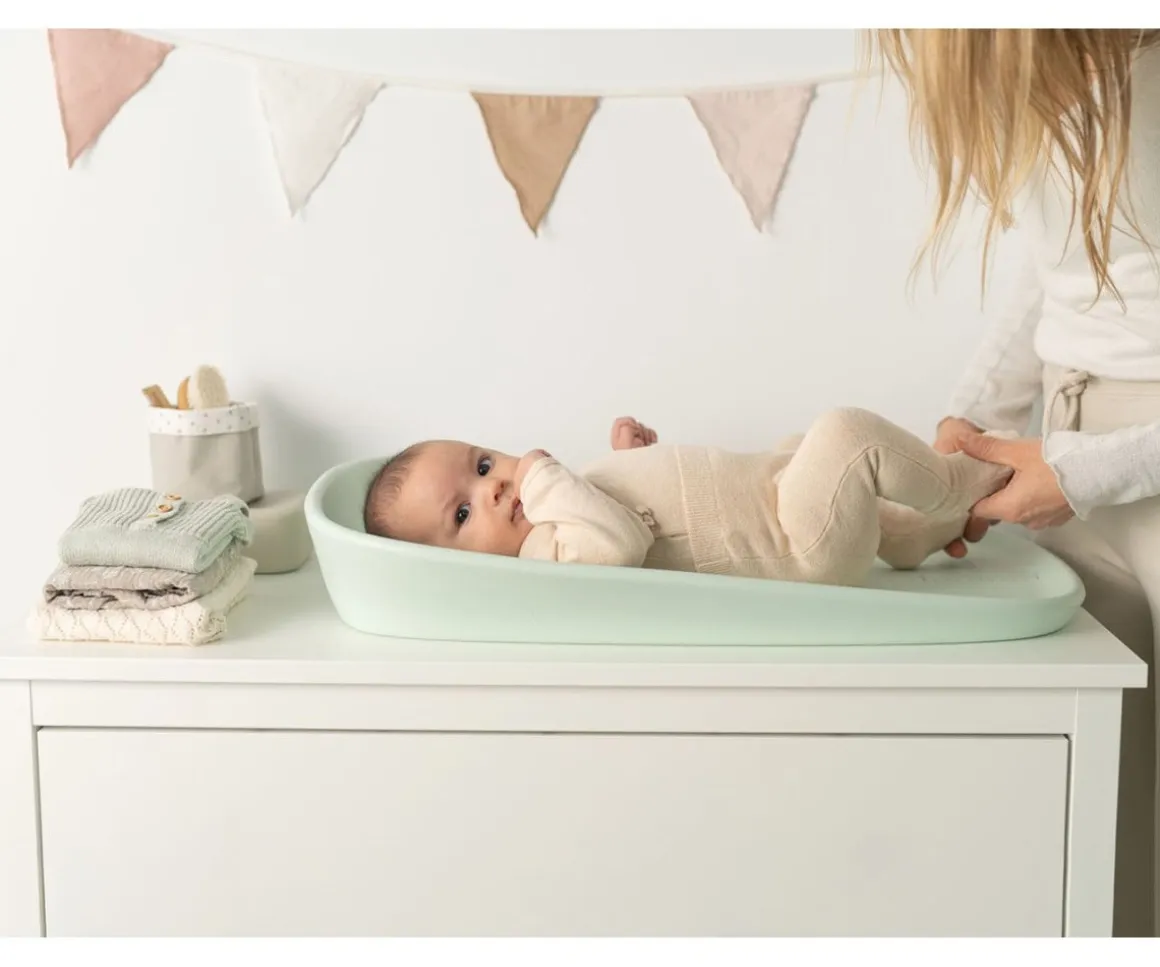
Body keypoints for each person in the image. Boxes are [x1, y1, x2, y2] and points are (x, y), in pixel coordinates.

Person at [869, 28, 1160, 936]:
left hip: (1117, 458)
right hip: (1069, 457)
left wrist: (1081, 469)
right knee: (1108, 825)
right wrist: (973, 415)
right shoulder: (1055, 86)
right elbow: (1061, 260)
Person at [362, 409, 1009, 586]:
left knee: (798, 448)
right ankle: (972, 474)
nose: (494, 486)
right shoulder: (545, 558)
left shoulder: (558, 508)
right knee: (844, 437)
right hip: (797, 547)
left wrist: (625, 458)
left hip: (775, 499)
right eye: (463, 512)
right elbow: (620, 541)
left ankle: (909, 533)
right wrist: (542, 475)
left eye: (482, 465)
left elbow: (623, 505)